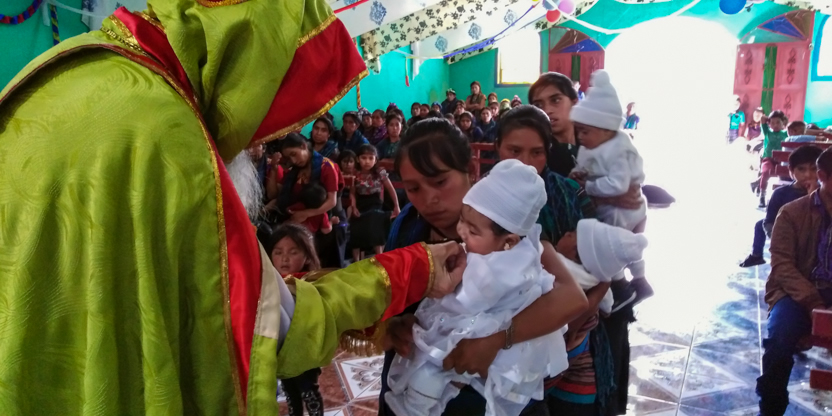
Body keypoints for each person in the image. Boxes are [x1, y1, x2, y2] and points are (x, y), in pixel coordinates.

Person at [0, 0, 472, 413]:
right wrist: (414, 269)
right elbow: (270, 324)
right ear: (252, 72)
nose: (255, 143)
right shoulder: (170, 137)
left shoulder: (68, 66)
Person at [379, 118, 589, 416]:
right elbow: (389, 302)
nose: (429, 199)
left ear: (471, 170)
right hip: (418, 383)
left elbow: (571, 297)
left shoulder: (505, 223)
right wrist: (396, 326)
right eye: (413, 188)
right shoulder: (407, 228)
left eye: (440, 182)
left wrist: (496, 341)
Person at [757, 147, 832, 416]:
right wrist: (813, 302)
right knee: (778, 343)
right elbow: (782, 266)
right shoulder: (792, 212)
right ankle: (771, 408)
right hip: (797, 292)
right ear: (823, 177)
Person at [569, 69, 652, 311]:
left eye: (586, 131)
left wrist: (588, 186)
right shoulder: (592, 144)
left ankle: (621, 288)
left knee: (608, 244)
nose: (581, 136)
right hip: (616, 205)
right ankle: (640, 282)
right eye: (579, 131)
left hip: (624, 210)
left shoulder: (619, 149)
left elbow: (619, 185)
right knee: (624, 244)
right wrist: (578, 173)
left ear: (606, 129)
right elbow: (585, 166)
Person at [266, 224, 326, 416]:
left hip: (306, 351)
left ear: (307, 256)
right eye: (278, 252)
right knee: (290, 392)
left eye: (293, 252)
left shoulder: (312, 285)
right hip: (282, 352)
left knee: (309, 390)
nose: (284, 258)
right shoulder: (267, 284)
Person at [740, 145, 821, 268]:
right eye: (801, 169)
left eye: (814, 169)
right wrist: (779, 243)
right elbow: (769, 222)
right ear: (791, 171)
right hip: (786, 244)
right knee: (760, 225)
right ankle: (756, 255)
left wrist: (813, 197)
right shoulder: (781, 194)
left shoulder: (825, 194)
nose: (808, 175)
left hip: (815, 248)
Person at [350, 144, 400, 260]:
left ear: (375, 160)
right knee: (355, 227)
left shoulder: (379, 172)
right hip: (360, 203)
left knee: (375, 220)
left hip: (375, 203)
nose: (367, 161)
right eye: (363, 158)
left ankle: (379, 257)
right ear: (357, 159)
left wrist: (396, 206)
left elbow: (390, 189)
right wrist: (353, 206)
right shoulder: (355, 173)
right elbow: (352, 193)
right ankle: (356, 261)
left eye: (370, 158)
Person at [278, 133, 340, 226]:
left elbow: (332, 201)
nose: (293, 161)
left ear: (303, 146)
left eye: (294, 154)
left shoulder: (327, 166)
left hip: (318, 221)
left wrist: (306, 214)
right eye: (289, 158)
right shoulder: (293, 170)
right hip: (294, 219)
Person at [529, 72, 581, 177]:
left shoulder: (593, 142)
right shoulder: (537, 154)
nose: (547, 110)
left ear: (574, 103)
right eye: (538, 105)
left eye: (555, 100)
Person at [755, 110, 789, 208]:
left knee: (785, 175)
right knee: (766, 172)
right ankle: (762, 196)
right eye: (772, 123)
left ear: (783, 122)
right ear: (769, 124)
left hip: (781, 160)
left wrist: (785, 120)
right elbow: (762, 119)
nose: (775, 125)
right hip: (768, 158)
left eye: (778, 122)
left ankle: (782, 198)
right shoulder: (767, 132)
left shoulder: (785, 133)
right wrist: (768, 119)